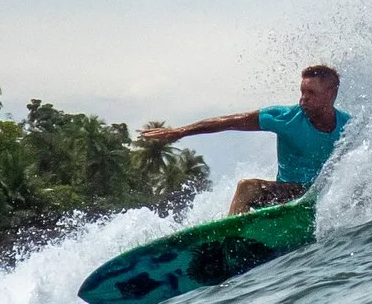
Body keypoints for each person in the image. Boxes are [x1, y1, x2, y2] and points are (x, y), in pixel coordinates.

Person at [141, 65, 350, 217]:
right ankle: (231, 238)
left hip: (326, 195)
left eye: (311, 93)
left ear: (331, 94)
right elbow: (228, 122)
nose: (303, 98)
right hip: (291, 194)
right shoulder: (284, 118)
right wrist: (180, 132)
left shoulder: (349, 127)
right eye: (302, 92)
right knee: (246, 188)